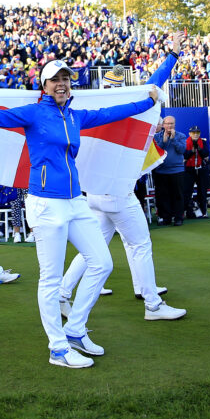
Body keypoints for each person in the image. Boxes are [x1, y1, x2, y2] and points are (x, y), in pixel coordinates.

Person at [0, 59, 161, 369]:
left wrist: (148, 100)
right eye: (55, 79)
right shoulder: (34, 113)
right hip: (45, 205)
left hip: (75, 201)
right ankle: (58, 348)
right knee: (51, 280)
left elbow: (112, 113)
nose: (61, 83)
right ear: (44, 85)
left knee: (102, 263)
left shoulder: (75, 116)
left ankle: (76, 330)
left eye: (66, 78)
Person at [59, 38, 186, 322]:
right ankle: (152, 304)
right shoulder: (124, 106)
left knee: (94, 248)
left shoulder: (89, 109)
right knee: (140, 244)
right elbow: (155, 82)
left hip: (94, 192)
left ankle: (62, 292)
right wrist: (173, 54)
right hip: (116, 192)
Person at [152, 116, 187, 226]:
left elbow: (182, 150)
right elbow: (156, 151)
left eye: (171, 124)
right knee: (163, 196)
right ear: (163, 125)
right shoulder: (157, 136)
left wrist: (173, 139)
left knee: (178, 195)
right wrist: (164, 140)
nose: (169, 126)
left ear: (174, 124)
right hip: (161, 171)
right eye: (167, 124)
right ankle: (166, 218)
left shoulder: (181, 136)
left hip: (177, 170)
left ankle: (178, 218)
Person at [183, 126, 210, 218]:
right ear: (189, 134)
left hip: (201, 169)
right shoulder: (185, 143)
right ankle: (188, 212)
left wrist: (199, 149)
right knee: (187, 191)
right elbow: (184, 155)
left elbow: (206, 154)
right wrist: (192, 151)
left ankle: (203, 211)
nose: (195, 134)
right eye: (193, 133)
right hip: (189, 169)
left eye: (197, 133)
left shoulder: (203, 142)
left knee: (202, 191)